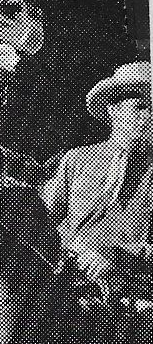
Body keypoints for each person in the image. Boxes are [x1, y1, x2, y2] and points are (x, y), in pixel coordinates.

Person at [42, 61, 153, 288]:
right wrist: (81, 253)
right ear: (114, 109)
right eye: (141, 107)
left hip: (136, 297)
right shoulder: (77, 160)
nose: (149, 117)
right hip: (73, 290)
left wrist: (125, 260)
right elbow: (43, 226)